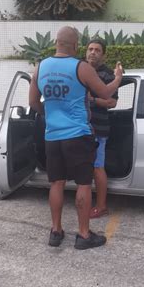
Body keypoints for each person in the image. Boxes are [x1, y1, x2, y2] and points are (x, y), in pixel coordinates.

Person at [29, 26, 123, 250]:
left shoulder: (40, 67)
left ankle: (56, 231)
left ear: (56, 43)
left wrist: (49, 115)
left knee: (56, 183)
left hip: (52, 136)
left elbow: (33, 103)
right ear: (76, 46)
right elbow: (106, 93)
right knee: (82, 183)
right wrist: (118, 78)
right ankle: (83, 235)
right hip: (78, 135)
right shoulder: (80, 67)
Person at [86, 38, 118, 219]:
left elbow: (111, 102)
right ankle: (84, 201)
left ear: (103, 54)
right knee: (84, 167)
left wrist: (92, 99)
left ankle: (101, 205)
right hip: (80, 128)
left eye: (97, 50)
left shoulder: (108, 75)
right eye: (90, 49)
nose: (93, 52)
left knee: (97, 167)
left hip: (98, 129)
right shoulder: (80, 70)